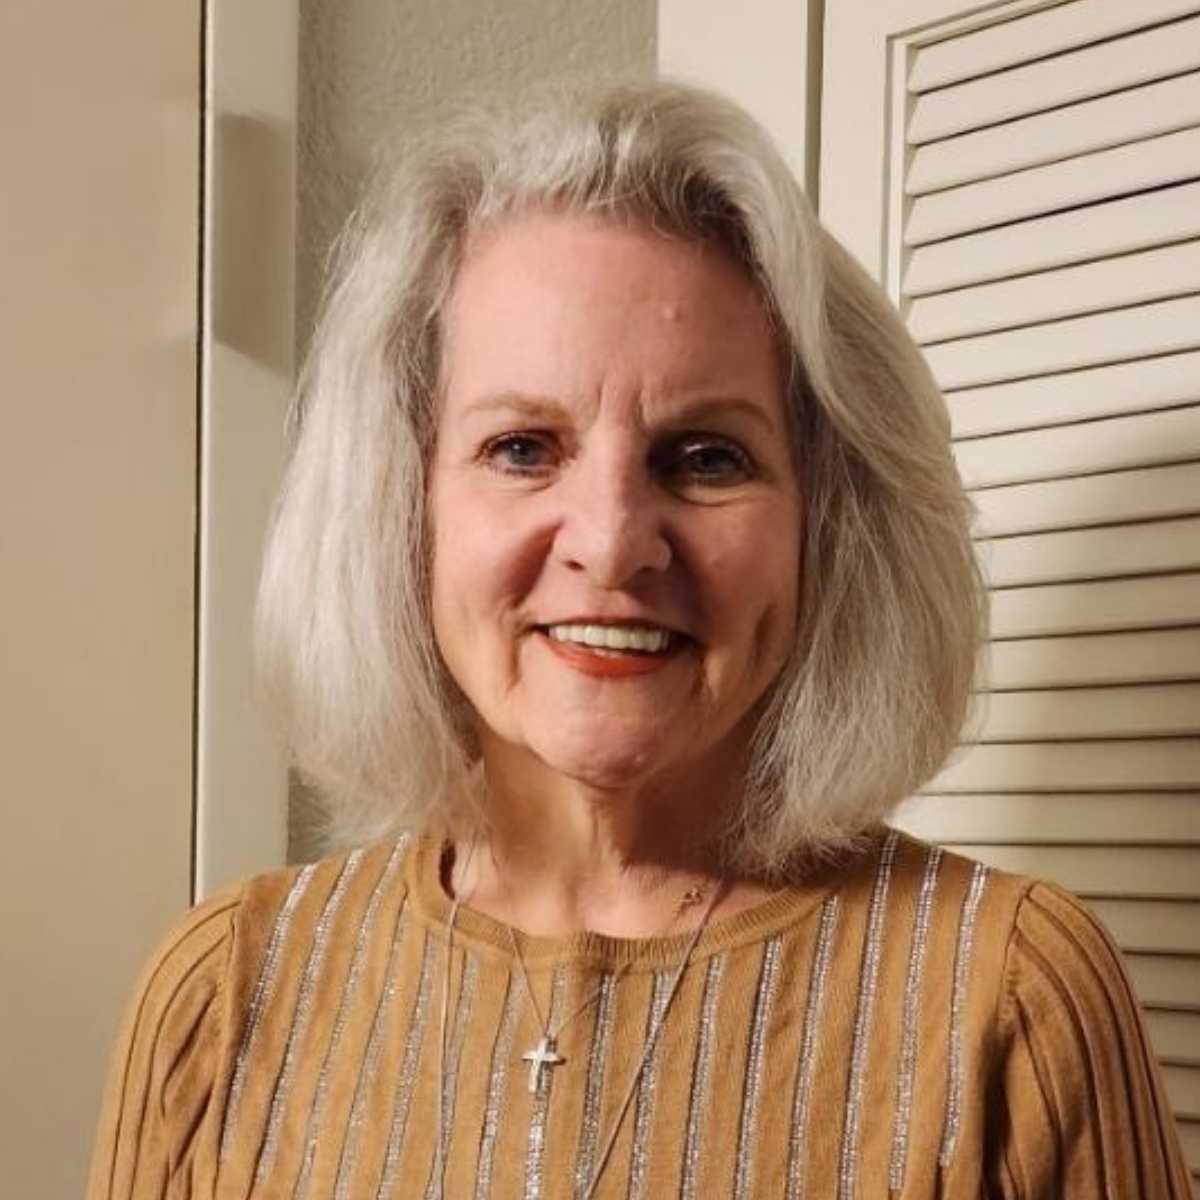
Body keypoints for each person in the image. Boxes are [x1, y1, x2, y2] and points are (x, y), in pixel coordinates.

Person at [88, 80, 1193, 1200]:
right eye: (522, 448)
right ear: (400, 509)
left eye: (707, 457)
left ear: (829, 524)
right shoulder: (224, 995)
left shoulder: (1015, 998)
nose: (613, 543)